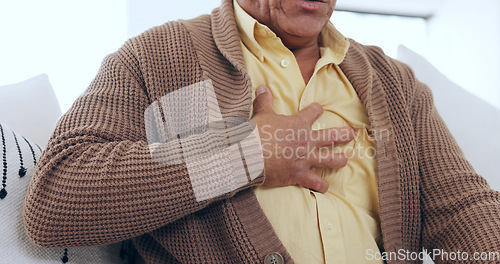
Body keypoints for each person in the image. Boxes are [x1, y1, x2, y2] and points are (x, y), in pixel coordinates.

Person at [23, 0, 500, 263]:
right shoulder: (160, 55)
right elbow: (56, 199)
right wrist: (247, 153)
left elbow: (463, 212)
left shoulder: (392, 81)